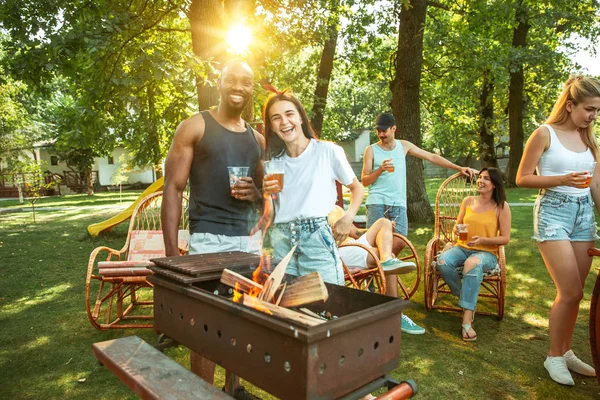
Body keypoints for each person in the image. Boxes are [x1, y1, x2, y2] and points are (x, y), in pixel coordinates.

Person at [161, 59, 264, 399]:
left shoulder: (258, 140)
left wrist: (257, 194)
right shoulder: (195, 127)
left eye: (246, 81)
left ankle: (232, 388)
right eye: (231, 79)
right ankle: (202, 394)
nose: (238, 86)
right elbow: (173, 189)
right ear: (219, 84)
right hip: (208, 238)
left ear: (252, 87)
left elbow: (270, 200)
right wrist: (173, 255)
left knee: (242, 321)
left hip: (248, 241)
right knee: (206, 327)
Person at [516, 76, 600, 386]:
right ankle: (553, 356)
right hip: (553, 211)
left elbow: (595, 184)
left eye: (597, 112)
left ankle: (565, 351)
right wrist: (561, 180)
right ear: (570, 105)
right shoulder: (544, 134)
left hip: (583, 216)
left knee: (577, 294)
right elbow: (522, 178)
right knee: (570, 291)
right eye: (589, 109)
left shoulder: (590, 140)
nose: (593, 116)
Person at [361, 112, 477, 333]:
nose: (381, 133)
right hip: (376, 204)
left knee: (395, 248)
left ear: (394, 128)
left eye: (384, 129)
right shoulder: (371, 150)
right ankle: (376, 292)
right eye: (378, 130)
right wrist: (380, 170)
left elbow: (431, 157)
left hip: (398, 206)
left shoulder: (403, 146)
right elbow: (364, 180)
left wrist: (458, 168)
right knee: (379, 251)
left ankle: (376, 284)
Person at [261, 90, 364, 285]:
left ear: (300, 117)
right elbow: (271, 214)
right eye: (276, 118)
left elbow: (356, 188)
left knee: (327, 307)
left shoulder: (327, 151)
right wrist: (267, 194)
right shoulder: (274, 163)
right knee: (288, 311)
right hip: (281, 242)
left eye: (289, 114)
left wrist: (347, 218)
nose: (284, 121)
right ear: (272, 127)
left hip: (316, 239)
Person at [436, 167, 511, 342]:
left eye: (486, 179)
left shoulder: (501, 206)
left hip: (487, 253)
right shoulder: (468, 201)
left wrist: (482, 240)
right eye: (480, 177)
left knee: (472, 263)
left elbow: (505, 238)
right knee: (442, 261)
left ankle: (467, 319)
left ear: (494, 185)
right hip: (462, 247)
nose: (481, 181)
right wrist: (456, 229)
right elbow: (458, 225)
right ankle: (465, 296)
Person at [328, 206, 425, 336]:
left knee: (383, 222)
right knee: (389, 255)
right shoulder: (314, 211)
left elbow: (356, 233)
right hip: (342, 252)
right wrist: (340, 268)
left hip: (355, 244)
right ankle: (395, 313)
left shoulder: (337, 209)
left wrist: (382, 231)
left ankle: (387, 261)